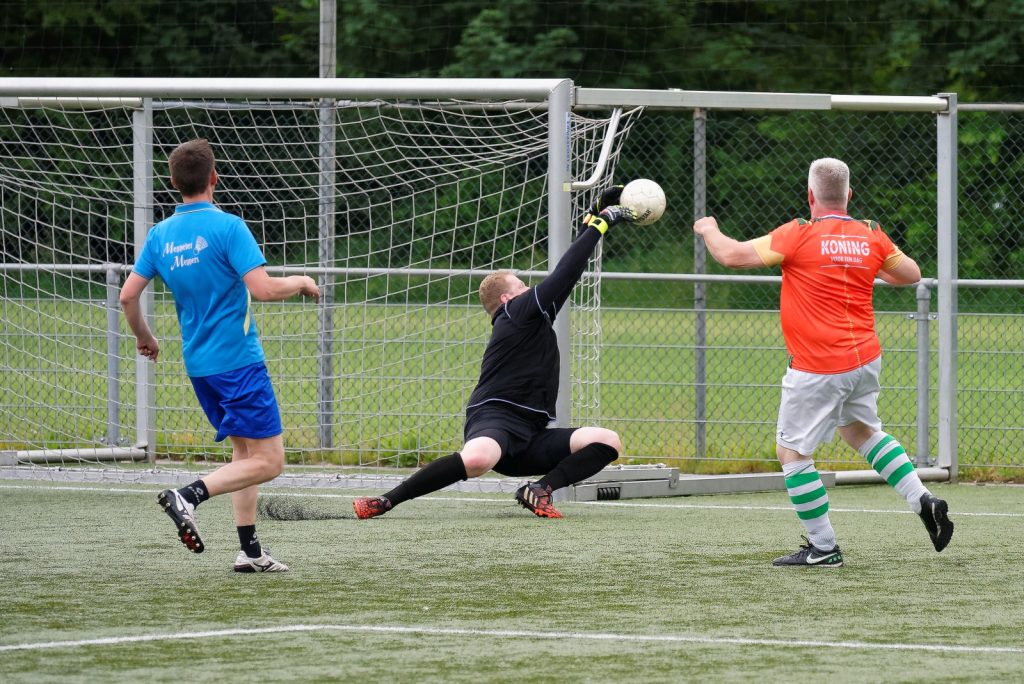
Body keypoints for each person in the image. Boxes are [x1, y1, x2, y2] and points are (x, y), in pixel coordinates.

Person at [692, 157, 954, 567]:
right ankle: (923, 500)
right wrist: (868, 264)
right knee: (860, 431)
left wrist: (708, 228)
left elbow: (731, 255)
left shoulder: (798, 233)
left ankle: (824, 547)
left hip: (818, 367)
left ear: (810, 195)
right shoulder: (871, 233)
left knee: (791, 454)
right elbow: (911, 274)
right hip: (863, 360)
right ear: (849, 195)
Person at [352, 188, 637, 520]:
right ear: (506, 298)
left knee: (607, 440)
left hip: (531, 435)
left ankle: (539, 490)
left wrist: (593, 217)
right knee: (478, 460)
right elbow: (563, 274)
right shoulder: (514, 312)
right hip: (496, 419)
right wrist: (603, 223)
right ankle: (385, 501)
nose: (528, 289)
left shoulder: (532, 316)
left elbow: (568, 274)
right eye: (521, 285)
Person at [120, 138, 320, 573]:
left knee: (245, 456)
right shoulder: (229, 227)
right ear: (214, 177)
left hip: (200, 366)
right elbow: (264, 289)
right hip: (238, 363)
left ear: (173, 183)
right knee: (270, 461)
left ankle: (250, 552)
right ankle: (188, 495)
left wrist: (145, 337)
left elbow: (128, 296)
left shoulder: (160, 235)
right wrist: (302, 281)